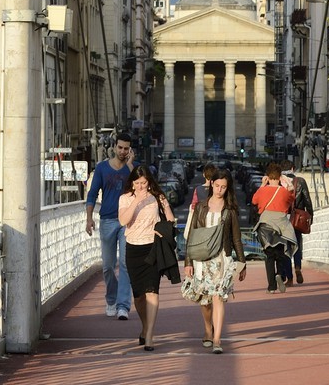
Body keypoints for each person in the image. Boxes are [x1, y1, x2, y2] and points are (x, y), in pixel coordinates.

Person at [182, 167, 247, 353]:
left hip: (222, 260)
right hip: (202, 260)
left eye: (224, 187)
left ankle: (217, 339)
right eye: (217, 185)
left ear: (228, 188)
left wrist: (242, 263)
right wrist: (188, 262)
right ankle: (207, 329)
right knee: (205, 301)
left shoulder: (230, 210)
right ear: (211, 184)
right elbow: (192, 236)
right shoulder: (200, 207)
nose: (219, 190)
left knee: (219, 298)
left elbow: (236, 238)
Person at [118, 166, 177, 351]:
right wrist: (136, 200)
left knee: (152, 291)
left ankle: (150, 335)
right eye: (137, 183)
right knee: (139, 295)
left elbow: (170, 220)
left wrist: (165, 205)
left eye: (144, 183)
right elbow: (123, 221)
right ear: (132, 183)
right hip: (133, 249)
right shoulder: (125, 198)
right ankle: (144, 327)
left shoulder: (157, 197)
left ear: (149, 181)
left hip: (152, 248)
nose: (141, 186)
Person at [84, 133, 134, 320]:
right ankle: (111, 300)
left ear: (130, 150)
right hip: (107, 220)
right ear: (114, 147)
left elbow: (140, 190)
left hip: (127, 223)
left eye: (126, 148)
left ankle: (123, 306)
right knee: (108, 266)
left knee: (125, 264)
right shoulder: (102, 168)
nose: (122, 151)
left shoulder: (132, 169)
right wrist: (89, 218)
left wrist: (130, 166)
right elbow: (92, 194)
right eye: (120, 147)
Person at [251, 164, 296, 293]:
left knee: (269, 255)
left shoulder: (262, 190)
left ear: (267, 177)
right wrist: (288, 184)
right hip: (281, 225)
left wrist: (262, 185)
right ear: (279, 176)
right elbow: (291, 199)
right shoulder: (283, 191)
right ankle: (280, 275)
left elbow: (254, 201)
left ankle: (271, 287)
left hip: (265, 225)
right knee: (281, 253)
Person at [284, 169, 314, 285]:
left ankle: (289, 278)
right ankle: (297, 267)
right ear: (292, 169)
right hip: (297, 219)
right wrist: (310, 216)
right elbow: (307, 200)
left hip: (284, 219)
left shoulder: (281, 183)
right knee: (297, 244)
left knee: (286, 248)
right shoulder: (300, 181)